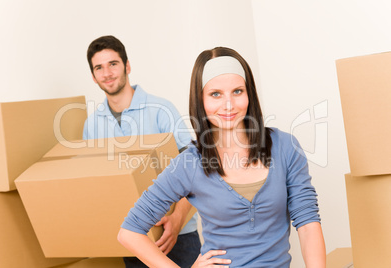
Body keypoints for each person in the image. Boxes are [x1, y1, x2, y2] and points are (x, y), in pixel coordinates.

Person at [117, 46, 326, 267]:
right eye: (215, 94)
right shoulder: (190, 163)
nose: (229, 105)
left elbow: (308, 223)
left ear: (249, 94)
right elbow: (129, 232)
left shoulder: (285, 147)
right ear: (201, 100)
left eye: (237, 91)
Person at [83, 35, 201, 267]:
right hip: (133, 239)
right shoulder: (92, 125)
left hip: (178, 235)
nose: (107, 73)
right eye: (99, 67)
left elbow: (196, 169)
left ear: (127, 66)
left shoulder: (161, 110)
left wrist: (177, 220)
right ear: (93, 76)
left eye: (113, 64)